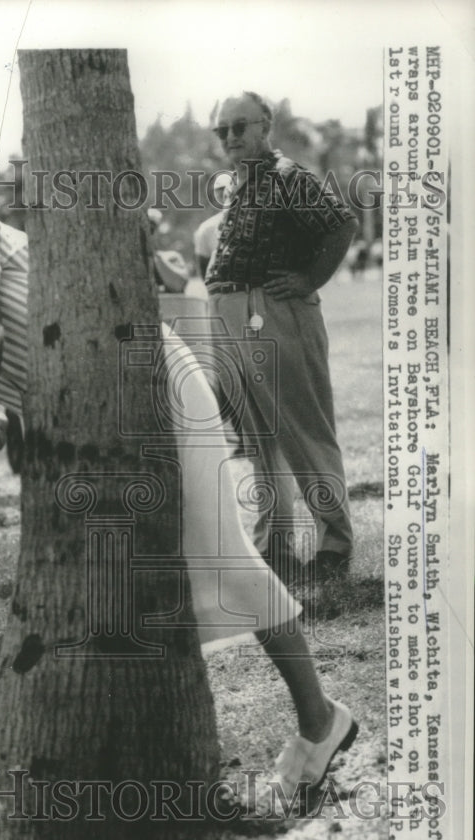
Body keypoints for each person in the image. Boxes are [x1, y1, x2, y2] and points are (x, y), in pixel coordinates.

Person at [0, 207, 357, 802]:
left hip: (149, 376)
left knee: (224, 557)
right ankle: (167, 761)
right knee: (124, 594)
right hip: (95, 431)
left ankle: (321, 722)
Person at [205, 92, 358, 588]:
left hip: (271, 310)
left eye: (240, 126)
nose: (230, 137)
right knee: (258, 437)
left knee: (301, 429)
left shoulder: (287, 176)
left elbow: (341, 225)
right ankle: (275, 545)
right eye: (222, 130)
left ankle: (334, 543)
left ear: (265, 124)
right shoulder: (239, 184)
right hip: (232, 313)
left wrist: (309, 280)